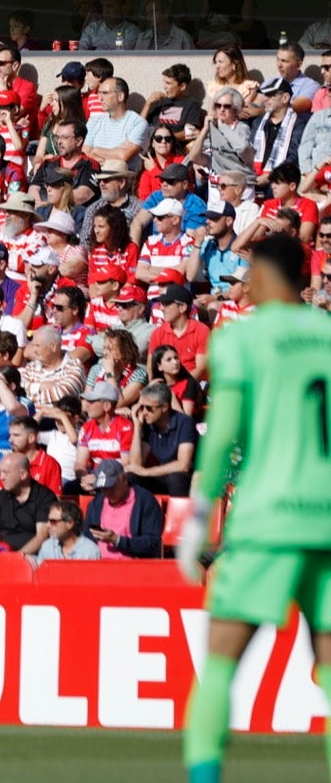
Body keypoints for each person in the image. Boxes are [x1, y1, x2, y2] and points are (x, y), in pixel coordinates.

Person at [178, 233, 331, 782]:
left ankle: (204, 777)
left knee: (220, 662)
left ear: (263, 279)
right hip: (328, 522)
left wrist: (200, 516)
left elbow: (220, 437)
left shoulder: (242, 339)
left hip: (267, 519)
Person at [82, 458, 164, 560]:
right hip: (98, 564)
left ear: (124, 479)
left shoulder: (145, 501)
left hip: (132, 567)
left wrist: (117, 540)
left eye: (111, 487)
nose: (107, 492)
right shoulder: (96, 504)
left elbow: (153, 543)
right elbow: (86, 538)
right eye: (103, 488)